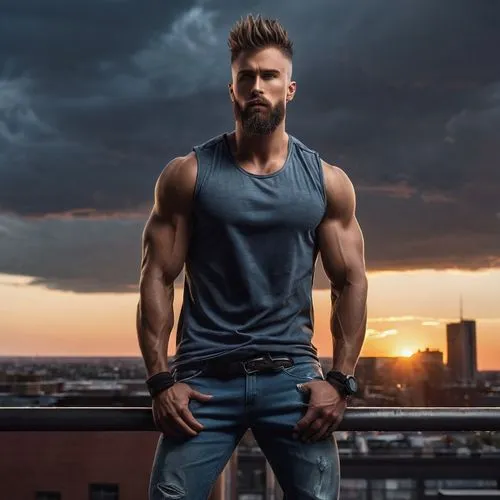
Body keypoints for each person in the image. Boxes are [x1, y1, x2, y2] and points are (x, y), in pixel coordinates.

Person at [137, 14, 368, 500]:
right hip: (203, 382)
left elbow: (350, 281)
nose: (257, 86)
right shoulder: (187, 174)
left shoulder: (326, 182)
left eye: (269, 76)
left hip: (293, 380)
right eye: (247, 77)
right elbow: (158, 274)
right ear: (232, 89)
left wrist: (341, 381)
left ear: (290, 89)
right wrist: (160, 380)